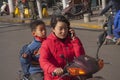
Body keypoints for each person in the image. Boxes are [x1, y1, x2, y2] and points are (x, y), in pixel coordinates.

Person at [39, 15, 85, 80]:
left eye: (66, 28)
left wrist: (75, 40)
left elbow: (81, 57)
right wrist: (53, 69)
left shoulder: (72, 40)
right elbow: (43, 61)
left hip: (71, 75)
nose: (63, 31)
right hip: (54, 77)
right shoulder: (47, 43)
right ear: (53, 29)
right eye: (60, 28)